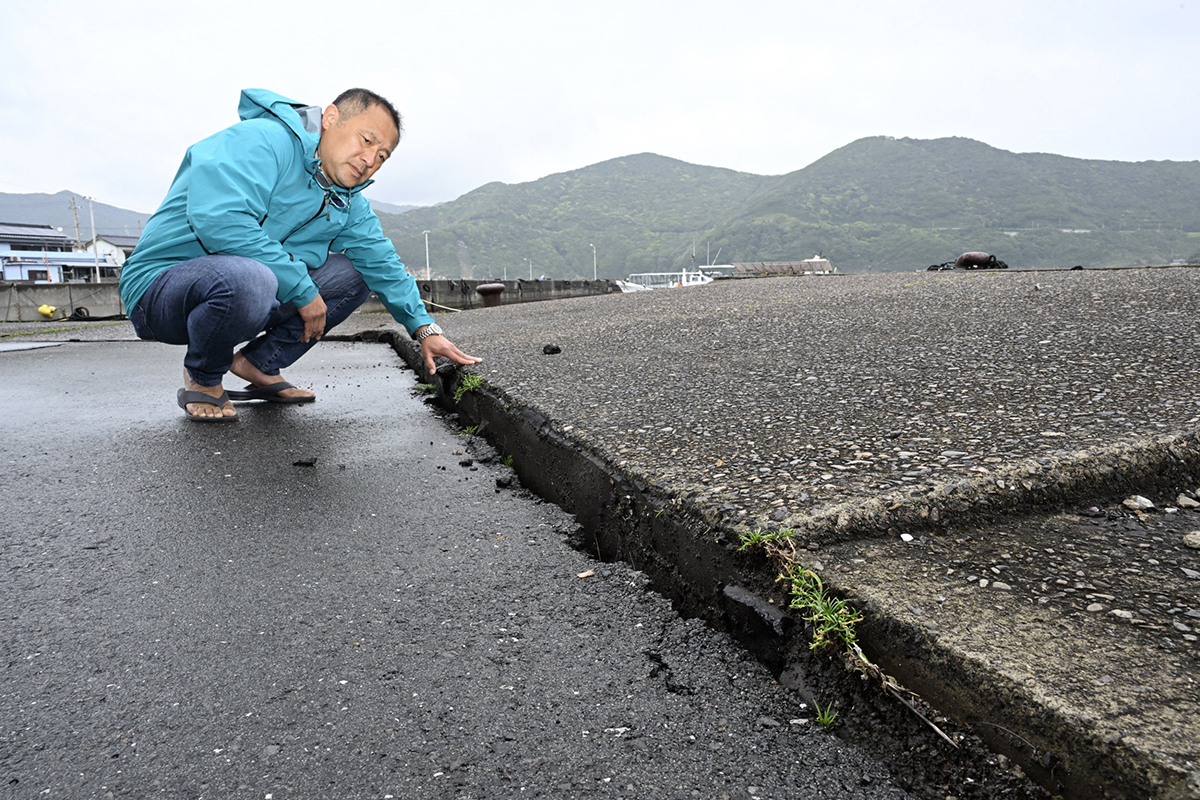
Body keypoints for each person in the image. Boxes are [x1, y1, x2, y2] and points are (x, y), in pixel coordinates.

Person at [119, 87, 480, 422]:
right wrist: (303, 290)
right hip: (161, 287)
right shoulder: (262, 139)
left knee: (355, 273)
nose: (370, 159)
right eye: (366, 140)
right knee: (251, 278)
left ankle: (259, 364)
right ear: (331, 118)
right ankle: (203, 375)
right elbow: (220, 220)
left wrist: (425, 329)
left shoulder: (347, 201)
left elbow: (384, 264)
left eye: (382, 156)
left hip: (250, 285)